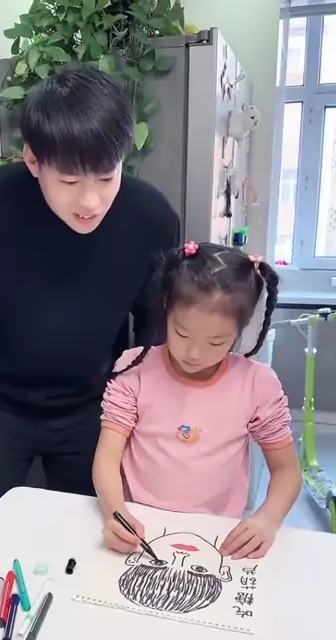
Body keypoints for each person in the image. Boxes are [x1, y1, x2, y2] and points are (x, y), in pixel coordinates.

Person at [0, 63, 179, 534]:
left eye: (106, 178)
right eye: (69, 182)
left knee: (90, 534)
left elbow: (153, 327)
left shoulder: (151, 218)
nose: (90, 202)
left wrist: (147, 416)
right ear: (33, 161)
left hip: (94, 405)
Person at [93, 240, 302, 561]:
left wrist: (267, 520)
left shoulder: (257, 384)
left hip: (216, 535)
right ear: (166, 308)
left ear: (240, 329)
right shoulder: (135, 369)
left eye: (216, 342)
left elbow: (287, 472)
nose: (194, 353)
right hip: (140, 528)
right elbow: (107, 459)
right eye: (182, 334)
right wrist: (117, 515)